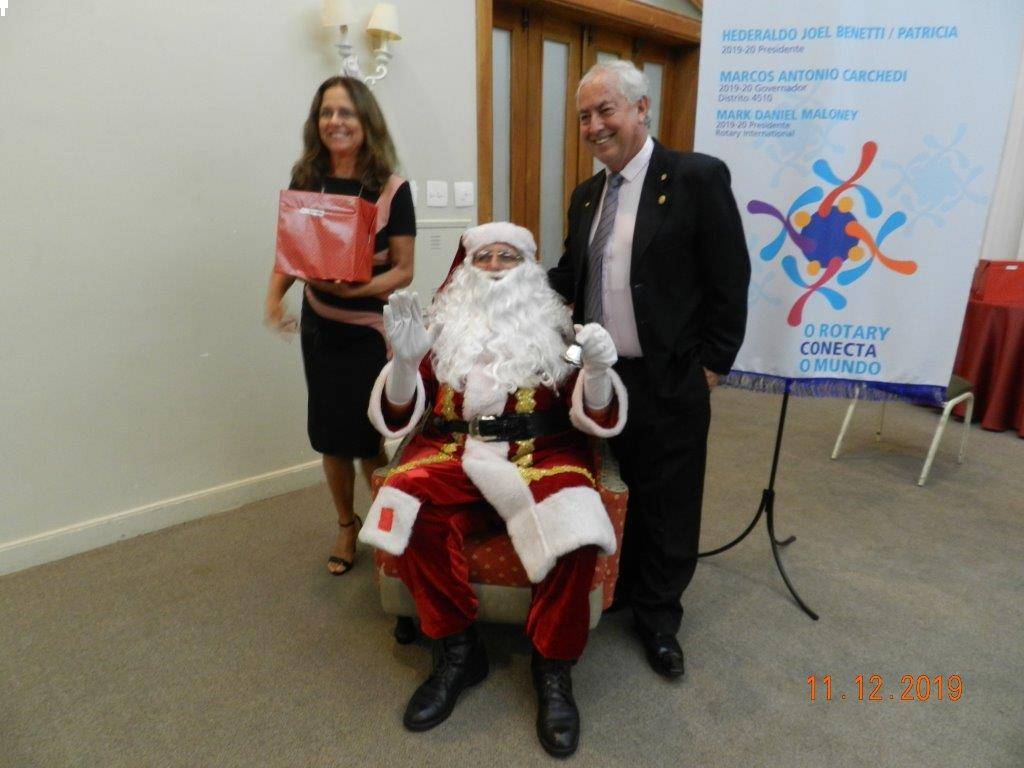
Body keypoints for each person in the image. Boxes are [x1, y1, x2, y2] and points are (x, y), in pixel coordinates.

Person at [357, 222, 626, 758]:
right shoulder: (439, 330)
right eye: (485, 257)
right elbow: (398, 413)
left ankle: (553, 666)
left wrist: (597, 370)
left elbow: (594, 412)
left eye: (509, 257)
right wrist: (405, 362)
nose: (497, 267)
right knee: (411, 511)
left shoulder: (561, 332)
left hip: (540, 455)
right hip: (452, 452)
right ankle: (458, 650)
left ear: (529, 269)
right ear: (467, 269)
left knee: (575, 530)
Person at [548, 61, 750, 679]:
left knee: (668, 499)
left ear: (641, 109)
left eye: (605, 110)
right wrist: (502, 274)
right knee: (618, 483)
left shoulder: (696, 178)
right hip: (602, 377)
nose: (594, 126)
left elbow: (730, 277)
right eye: (584, 116)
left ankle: (660, 618)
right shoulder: (587, 196)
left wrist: (712, 366)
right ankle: (624, 587)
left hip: (671, 375)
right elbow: (571, 277)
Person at [264, 76, 416, 575]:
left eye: (346, 112)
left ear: (366, 120)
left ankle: (388, 530)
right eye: (326, 112)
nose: (335, 122)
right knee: (330, 438)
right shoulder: (306, 178)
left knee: (369, 440)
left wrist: (358, 289)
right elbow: (291, 253)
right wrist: (273, 299)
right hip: (320, 329)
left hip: (368, 332)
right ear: (317, 122)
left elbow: (403, 270)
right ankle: (346, 526)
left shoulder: (392, 189)